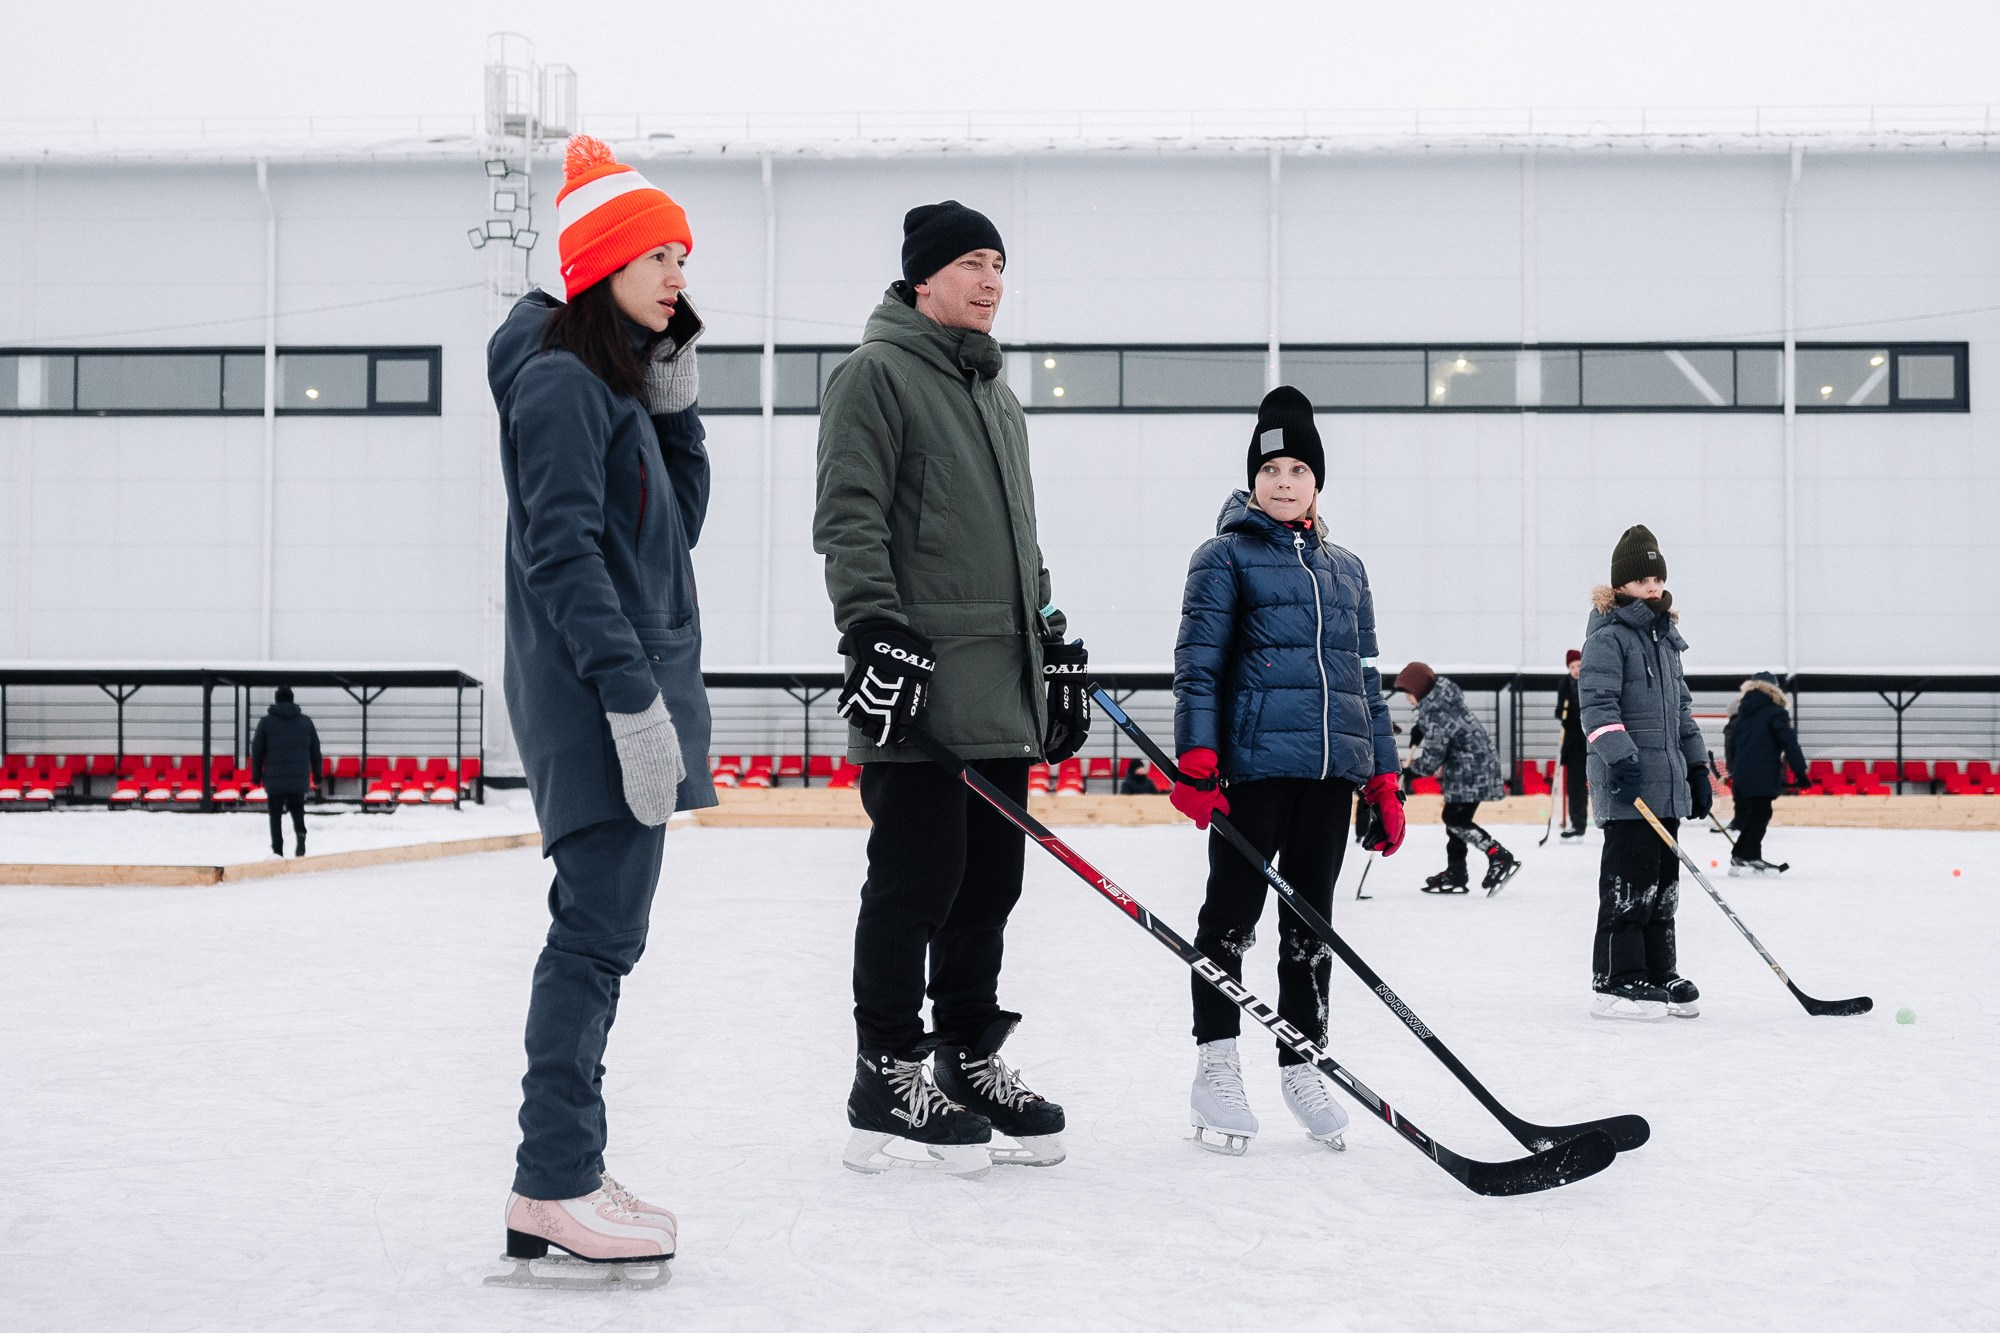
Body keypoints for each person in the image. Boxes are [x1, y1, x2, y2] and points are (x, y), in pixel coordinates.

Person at [814, 200, 1084, 1178]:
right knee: (915, 882)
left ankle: (967, 1059)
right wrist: (872, 629)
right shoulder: (873, 375)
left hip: (998, 686)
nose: (990, 280)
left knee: (988, 888)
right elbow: (848, 515)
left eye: (999, 264)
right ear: (922, 277)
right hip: (918, 688)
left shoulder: (995, 398)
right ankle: (886, 1067)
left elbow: (1020, 541)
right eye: (971, 262)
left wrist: (1049, 640)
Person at [484, 136, 714, 1273]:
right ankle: (555, 1180)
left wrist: (671, 405)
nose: (677, 274)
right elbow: (562, 558)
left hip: (632, 690)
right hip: (599, 700)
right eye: (655, 255)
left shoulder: (609, 385)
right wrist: (630, 705)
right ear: (600, 264)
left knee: (601, 937)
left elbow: (670, 533)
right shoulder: (561, 383)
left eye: (681, 255)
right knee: (592, 940)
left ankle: (563, 1167)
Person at [1170, 385, 1404, 1156]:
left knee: (1312, 927)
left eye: (1297, 467)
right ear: (1253, 477)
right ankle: (1216, 1062)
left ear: (1317, 482)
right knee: (1231, 916)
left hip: (1330, 774)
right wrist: (1198, 757)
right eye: (1270, 466)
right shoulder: (1224, 557)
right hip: (1253, 769)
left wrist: (1381, 776)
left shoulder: (1347, 570)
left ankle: (1302, 1059)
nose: (1282, 479)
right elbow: (1198, 664)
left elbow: (1365, 677)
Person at [1580, 524, 1709, 1021]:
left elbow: (1682, 715)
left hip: (1667, 785)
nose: (1653, 587)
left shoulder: (1666, 641)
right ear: (1621, 586)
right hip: (1627, 786)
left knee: (1662, 888)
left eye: (1657, 578)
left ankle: (1659, 971)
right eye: (1642, 580)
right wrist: (1622, 757)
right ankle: (1616, 980)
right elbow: (1597, 705)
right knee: (1629, 886)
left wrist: (1697, 768)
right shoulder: (1609, 639)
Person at [1394, 662, 1516, 893]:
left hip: (1471, 772)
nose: (1408, 699)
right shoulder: (1440, 702)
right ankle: (1456, 873)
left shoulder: (1438, 711)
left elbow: (1434, 755)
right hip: (1468, 769)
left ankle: (1498, 855)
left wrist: (1411, 771)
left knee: (1455, 819)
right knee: (1455, 824)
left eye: (1409, 693)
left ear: (1419, 690)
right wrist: (1421, 727)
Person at [1723, 672, 1807, 875]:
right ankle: (1748, 856)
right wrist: (1800, 771)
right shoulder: (1775, 713)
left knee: (1754, 814)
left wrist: (1734, 770)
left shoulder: (1743, 714)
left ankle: (1741, 855)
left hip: (1743, 774)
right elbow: (1789, 742)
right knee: (1761, 813)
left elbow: (1732, 744)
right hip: (1762, 773)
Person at [250, 685, 321, 858]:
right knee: (298, 810)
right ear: (292, 699)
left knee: (275, 816)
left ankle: (277, 849)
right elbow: (315, 750)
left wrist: (256, 775)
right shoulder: (306, 722)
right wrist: (318, 774)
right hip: (298, 777)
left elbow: (257, 750)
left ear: (276, 700)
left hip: (274, 778)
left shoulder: (266, 722)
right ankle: (301, 836)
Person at [1554, 649, 1589, 839]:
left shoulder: (1590, 681)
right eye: (1572, 667)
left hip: (1591, 740)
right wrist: (1562, 714)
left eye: (1578, 665)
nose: (1576, 670)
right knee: (1575, 785)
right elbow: (1561, 709)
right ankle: (1577, 824)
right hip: (1575, 743)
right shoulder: (1565, 684)